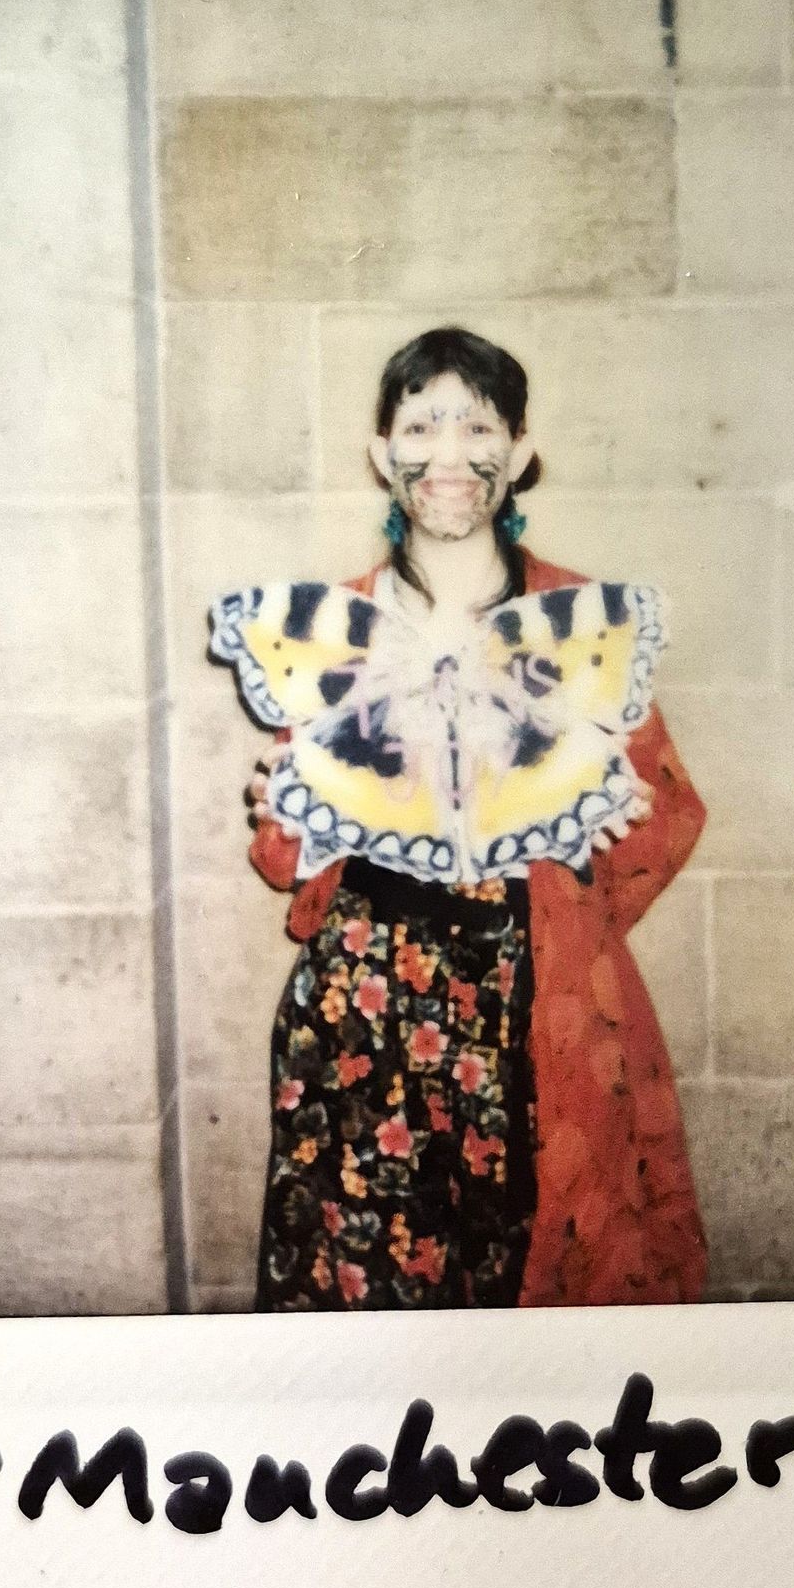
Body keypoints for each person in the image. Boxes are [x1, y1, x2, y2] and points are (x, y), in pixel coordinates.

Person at [232, 326, 707, 1311]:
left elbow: (661, 815)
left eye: (476, 426)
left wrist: (557, 878)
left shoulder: (578, 618)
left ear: (519, 449)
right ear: (382, 454)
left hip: (532, 1006)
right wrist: (291, 814)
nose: (448, 456)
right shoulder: (334, 626)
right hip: (365, 1022)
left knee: (534, 1299)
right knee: (374, 1302)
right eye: (421, 426)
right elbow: (285, 860)